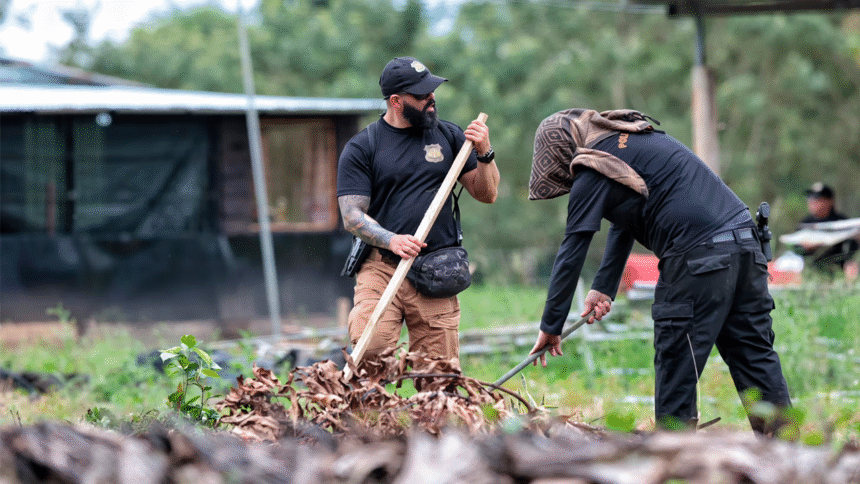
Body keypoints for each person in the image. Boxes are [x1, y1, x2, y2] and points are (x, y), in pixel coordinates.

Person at [526, 108, 791, 434]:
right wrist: (604, 287)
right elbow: (626, 218)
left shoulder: (593, 167)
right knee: (756, 361)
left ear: (564, 153)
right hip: (746, 248)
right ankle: (790, 455)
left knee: (677, 365)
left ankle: (674, 462)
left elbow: (572, 251)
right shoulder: (634, 143)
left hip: (699, 260)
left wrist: (551, 325)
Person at [336, 56, 500, 371]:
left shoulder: (450, 137)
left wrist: (485, 153)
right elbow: (351, 216)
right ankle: (366, 415)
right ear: (396, 101)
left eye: (432, 91)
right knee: (371, 351)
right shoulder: (363, 147)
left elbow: (487, 194)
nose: (431, 99)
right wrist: (391, 240)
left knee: (439, 373)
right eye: (421, 95)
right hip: (381, 268)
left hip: (438, 269)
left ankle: (433, 419)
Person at [794, 182, 859, 272]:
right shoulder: (805, 223)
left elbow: (852, 247)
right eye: (810, 198)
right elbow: (796, 250)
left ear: (829, 201)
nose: (812, 202)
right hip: (813, 271)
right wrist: (805, 248)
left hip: (839, 270)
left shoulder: (842, 222)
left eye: (817, 198)